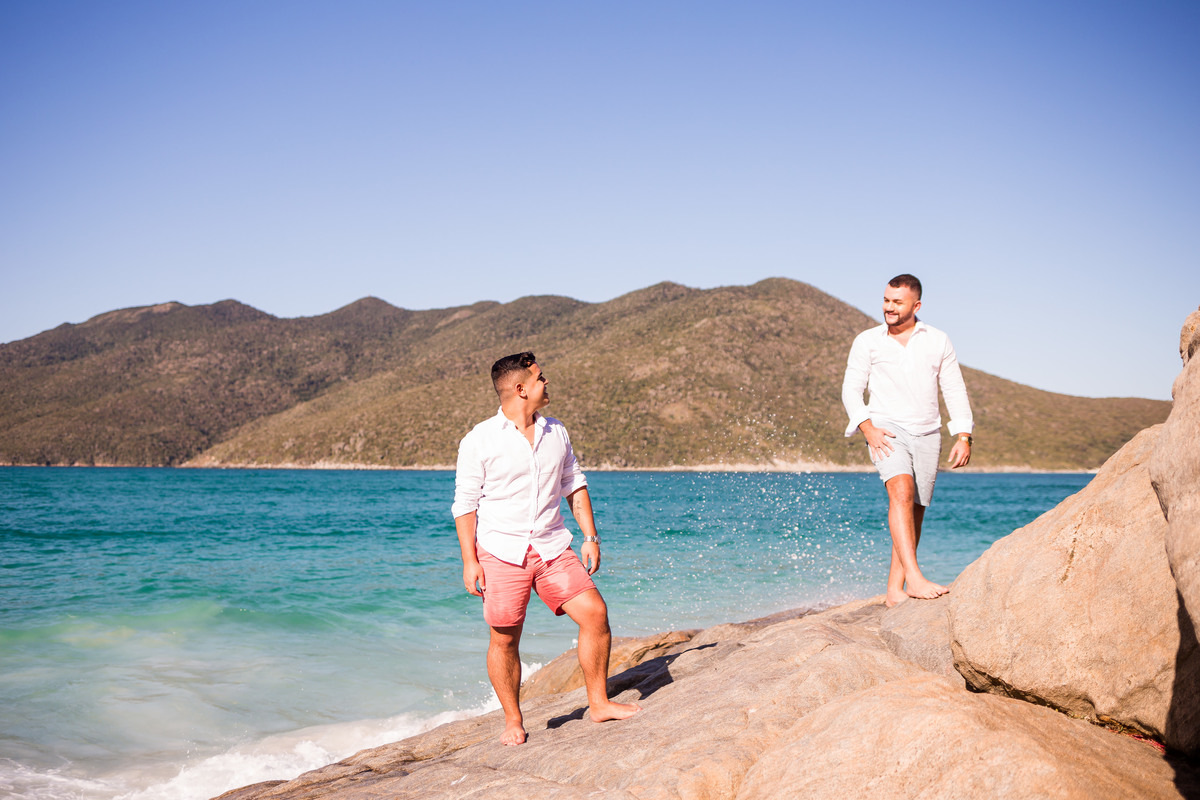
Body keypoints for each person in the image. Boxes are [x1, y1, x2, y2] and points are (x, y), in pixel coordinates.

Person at [452, 352, 641, 745]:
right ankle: (513, 720)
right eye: (540, 378)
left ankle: (599, 704)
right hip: (501, 552)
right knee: (505, 638)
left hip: (552, 545)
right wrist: (470, 560)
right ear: (521, 389)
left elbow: (574, 484)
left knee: (595, 614)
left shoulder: (557, 432)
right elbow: (465, 504)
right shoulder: (478, 440)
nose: (547, 382)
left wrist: (590, 537)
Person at [841, 274, 974, 607]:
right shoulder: (867, 341)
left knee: (915, 509)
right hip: (886, 430)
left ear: (916, 306)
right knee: (901, 491)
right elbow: (851, 390)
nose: (889, 307)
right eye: (886, 300)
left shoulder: (938, 340)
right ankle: (914, 578)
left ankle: (894, 590)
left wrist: (963, 435)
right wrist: (867, 428)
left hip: (928, 433)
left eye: (897, 302)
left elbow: (954, 389)